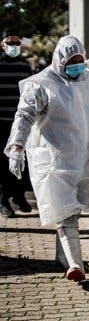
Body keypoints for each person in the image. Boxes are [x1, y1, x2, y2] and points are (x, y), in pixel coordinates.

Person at [4, 35, 89, 282]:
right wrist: (16, 146)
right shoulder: (42, 84)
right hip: (53, 160)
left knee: (73, 210)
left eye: (80, 60)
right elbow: (24, 116)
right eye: (71, 60)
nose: (77, 65)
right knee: (64, 213)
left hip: (81, 158)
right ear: (60, 59)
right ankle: (75, 265)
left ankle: (62, 257)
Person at [0, 30, 33, 217]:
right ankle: (3, 201)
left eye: (17, 43)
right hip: (1, 123)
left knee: (22, 162)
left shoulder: (24, 65)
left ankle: (19, 196)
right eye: (10, 43)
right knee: (3, 164)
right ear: (2, 44)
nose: (14, 47)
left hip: (19, 124)